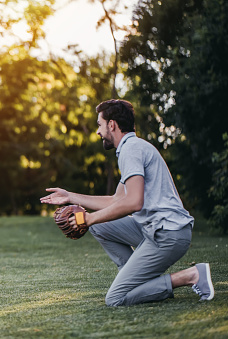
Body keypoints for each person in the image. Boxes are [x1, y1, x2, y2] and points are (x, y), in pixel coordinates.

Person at [40, 99, 214, 306]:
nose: (98, 132)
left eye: (99, 125)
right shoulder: (133, 147)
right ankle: (138, 281)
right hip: (155, 229)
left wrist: (89, 218)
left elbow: (133, 203)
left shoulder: (130, 150)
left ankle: (191, 275)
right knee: (100, 226)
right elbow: (117, 200)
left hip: (168, 234)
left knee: (115, 298)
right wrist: (70, 196)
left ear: (111, 124)